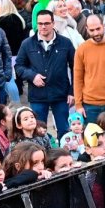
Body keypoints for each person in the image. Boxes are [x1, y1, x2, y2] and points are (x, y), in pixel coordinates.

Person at [17, 9, 76, 139]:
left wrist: (72, 91)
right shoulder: (27, 44)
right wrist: (32, 76)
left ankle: (64, 151)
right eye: (40, 23)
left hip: (61, 94)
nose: (43, 26)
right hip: (38, 95)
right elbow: (18, 66)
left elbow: (76, 67)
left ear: (53, 23)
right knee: (38, 132)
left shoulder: (65, 43)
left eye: (46, 23)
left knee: (65, 131)